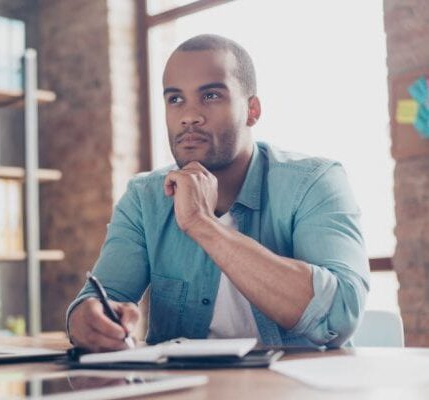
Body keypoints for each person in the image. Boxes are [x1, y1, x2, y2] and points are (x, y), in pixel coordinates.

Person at [66, 34, 370, 352]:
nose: (189, 115)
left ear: (252, 110)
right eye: (175, 99)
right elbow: (100, 298)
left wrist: (203, 224)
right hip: (184, 388)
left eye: (210, 96)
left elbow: (340, 315)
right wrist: (85, 321)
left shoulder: (314, 182)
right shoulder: (145, 198)